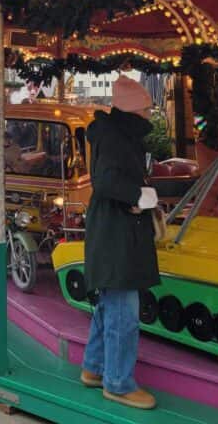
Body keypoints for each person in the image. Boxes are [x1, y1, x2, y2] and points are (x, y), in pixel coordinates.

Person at [80, 77, 159, 410]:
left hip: (113, 231)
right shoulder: (117, 139)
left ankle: (95, 368)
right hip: (118, 236)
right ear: (132, 109)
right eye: (145, 108)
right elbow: (107, 181)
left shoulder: (113, 135)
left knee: (109, 305)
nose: (149, 114)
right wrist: (139, 196)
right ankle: (118, 383)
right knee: (124, 313)